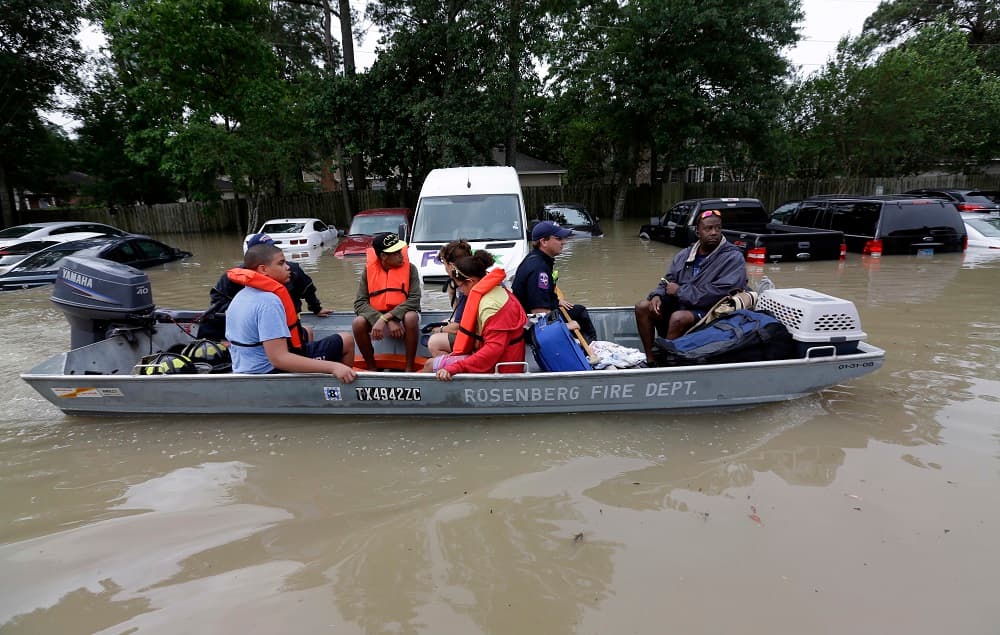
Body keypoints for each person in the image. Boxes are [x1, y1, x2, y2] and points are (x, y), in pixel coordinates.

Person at [225, 243, 356, 381]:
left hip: (245, 364)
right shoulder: (269, 301)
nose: (288, 267)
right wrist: (334, 367)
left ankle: (308, 382)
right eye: (281, 263)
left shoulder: (243, 294)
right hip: (267, 371)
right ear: (263, 269)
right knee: (346, 340)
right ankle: (343, 385)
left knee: (306, 330)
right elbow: (279, 359)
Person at [634, 208, 748, 365]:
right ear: (697, 232)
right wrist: (657, 295)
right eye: (708, 228)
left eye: (718, 228)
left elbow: (720, 293)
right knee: (642, 307)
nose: (714, 232)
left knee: (678, 318)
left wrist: (680, 291)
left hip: (711, 312)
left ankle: (667, 364)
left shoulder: (733, 257)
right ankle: (651, 360)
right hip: (683, 304)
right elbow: (668, 280)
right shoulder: (685, 254)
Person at [198, 233, 330, 341]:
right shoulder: (232, 278)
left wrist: (316, 308)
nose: (285, 266)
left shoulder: (292, 270)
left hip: (285, 324)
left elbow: (308, 290)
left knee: (307, 332)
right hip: (251, 329)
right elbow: (217, 303)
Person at [428, 250, 527, 380]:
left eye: (460, 287)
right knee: (433, 363)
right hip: (498, 359)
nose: (461, 291)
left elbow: (493, 350)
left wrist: (456, 367)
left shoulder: (491, 306)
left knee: (430, 365)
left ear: (470, 281)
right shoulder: (494, 291)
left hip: (501, 367)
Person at [511, 220, 597, 342]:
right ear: (544, 241)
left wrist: (555, 301)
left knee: (579, 311)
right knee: (578, 316)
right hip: (532, 328)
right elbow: (539, 314)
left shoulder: (536, 258)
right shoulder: (539, 269)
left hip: (534, 318)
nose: (564, 242)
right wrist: (564, 326)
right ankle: (588, 349)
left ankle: (590, 345)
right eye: (558, 238)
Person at [352, 232, 421, 371]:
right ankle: (372, 367)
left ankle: (409, 368)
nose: (401, 255)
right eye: (395, 253)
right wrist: (384, 320)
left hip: (403, 316)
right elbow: (359, 303)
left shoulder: (411, 269)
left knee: (411, 317)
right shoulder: (368, 272)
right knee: (358, 323)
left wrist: (388, 317)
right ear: (383, 256)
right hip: (378, 319)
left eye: (400, 251)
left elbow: (414, 300)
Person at [424, 239, 473, 358]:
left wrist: (439, 330)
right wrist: (451, 293)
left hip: (477, 338)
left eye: (444, 264)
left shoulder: (466, 285)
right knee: (447, 320)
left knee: (434, 342)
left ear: (451, 266)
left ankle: (451, 369)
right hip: (477, 331)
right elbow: (459, 316)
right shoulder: (471, 275)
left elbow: (458, 327)